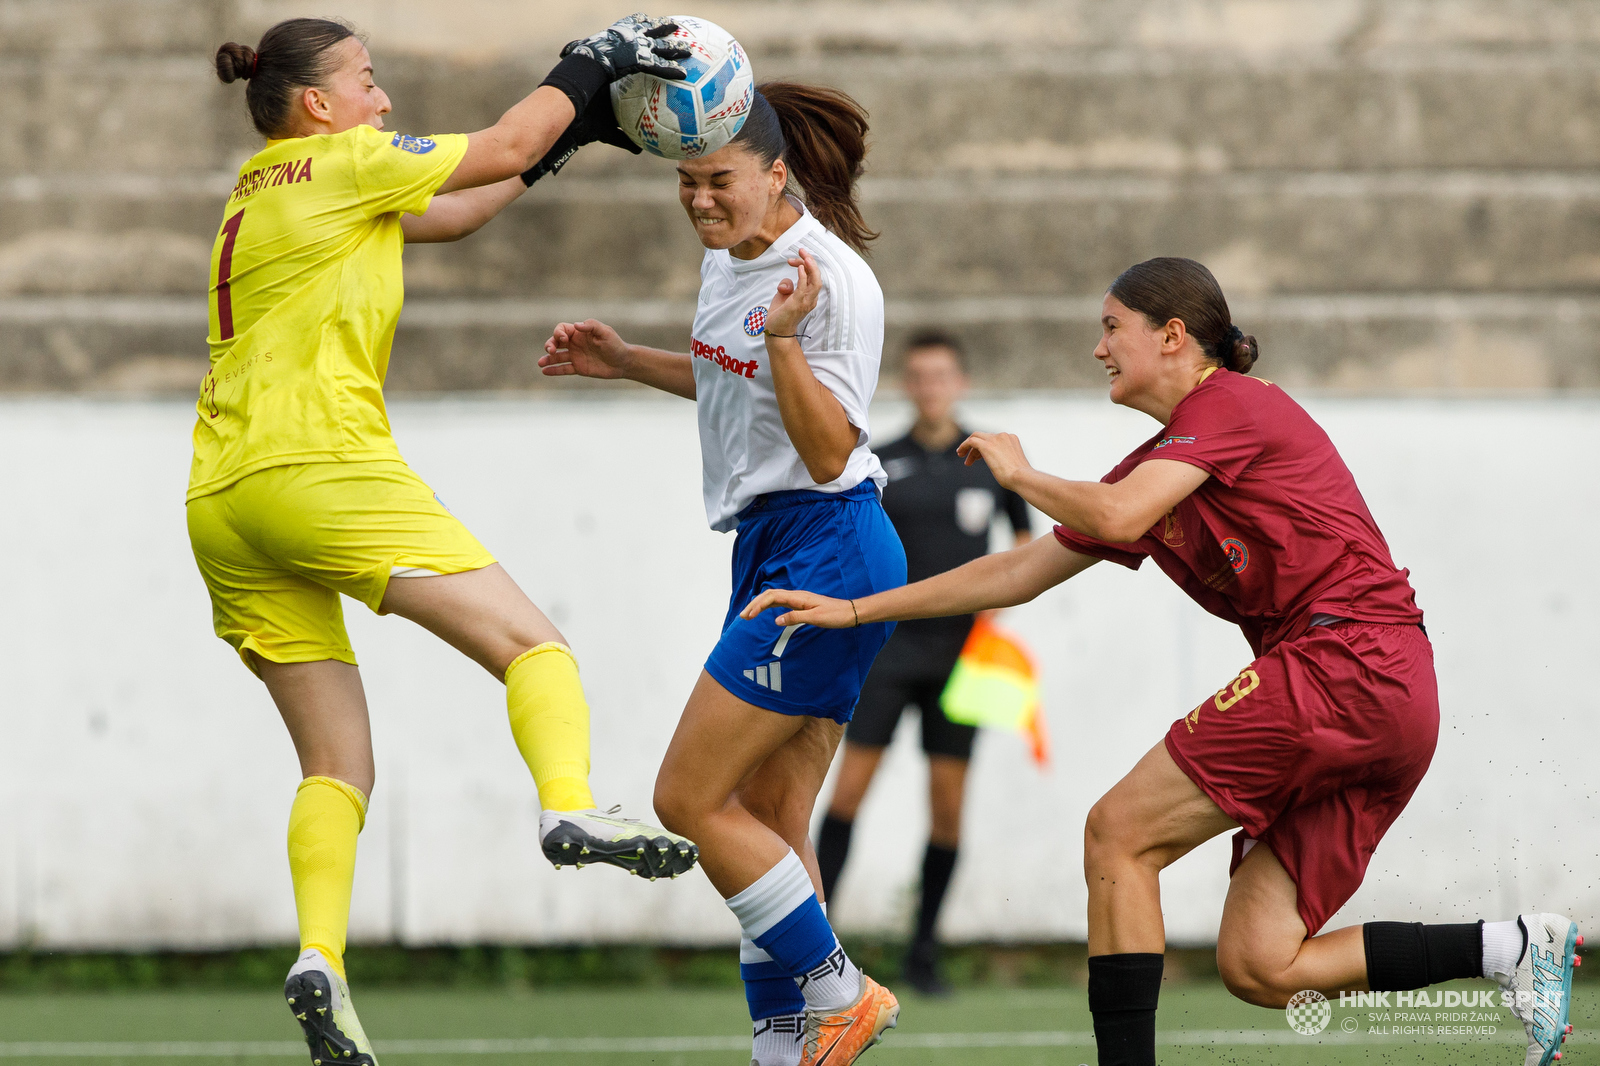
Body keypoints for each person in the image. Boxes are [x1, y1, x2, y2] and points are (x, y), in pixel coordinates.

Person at [741, 258, 1581, 1066]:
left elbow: (1112, 514)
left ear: (1173, 335)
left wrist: (1023, 474)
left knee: (1118, 834)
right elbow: (1019, 572)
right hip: (1388, 691)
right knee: (1262, 964)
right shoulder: (1166, 463)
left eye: (1112, 328)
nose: (1099, 347)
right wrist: (856, 609)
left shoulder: (1231, 406)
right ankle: (1509, 947)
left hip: (1347, 661)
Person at [195, 16, 699, 1064]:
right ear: (320, 104)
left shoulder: (264, 189)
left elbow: (462, 210)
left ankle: (320, 958)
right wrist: (592, 67)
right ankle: (573, 809)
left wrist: (575, 140)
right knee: (536, 648)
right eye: (368, 82)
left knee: (337, 761)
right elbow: (501, 144)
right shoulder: (346, 160)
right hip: (320, 469)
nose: (383, 101)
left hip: (222, 498)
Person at [539, 84, 905, 1066]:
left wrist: (785, 337)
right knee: (772, 825)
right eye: (688, 181)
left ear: (776, 175)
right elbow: (726, 377)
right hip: (771, 546)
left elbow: (828, 450)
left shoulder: (830, 283)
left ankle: (843, 995)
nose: (701, 199)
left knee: (691, 800)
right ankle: (784, 1053)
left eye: (720, 181)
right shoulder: (725, 260)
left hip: (828, 543)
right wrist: (625, 361)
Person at [814, 330, 1034, 995]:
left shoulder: (989, 458)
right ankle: (817, 952)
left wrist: (992, 621)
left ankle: (924, 953)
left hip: (961, 664)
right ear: (908, 384)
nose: (930, 385)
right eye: (919, 375)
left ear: (959, 381)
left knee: (947, 808)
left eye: (942, 374)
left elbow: (1025, 546)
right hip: (886, 651)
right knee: (847, 793)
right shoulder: (880, 459)